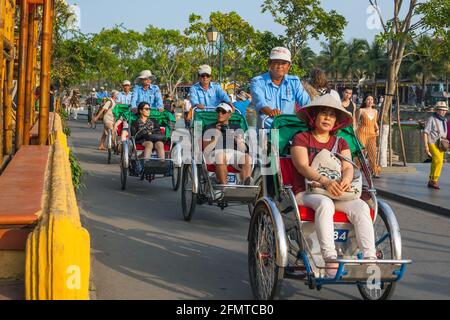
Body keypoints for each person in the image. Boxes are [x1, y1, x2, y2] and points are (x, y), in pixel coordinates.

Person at [291, 94, 377, 277]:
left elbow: (348, 167)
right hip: (307, 191)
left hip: (337, 192)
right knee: (325, 204)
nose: (328, 118)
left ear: (336, 121)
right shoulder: (302, 138)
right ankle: (330, 257)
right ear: (314, 117)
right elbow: (302, 166)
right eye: (323, 113)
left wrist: (346, 179)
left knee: (361, 207)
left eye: (332, 115)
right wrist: (325, 181)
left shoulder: (341, 142)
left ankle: (369, 258)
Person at [250, 47, 310, 128]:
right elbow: (260, 103)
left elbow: (306, 103)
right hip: (266, 131)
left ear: (289, 66)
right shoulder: (257, 82)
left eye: (283, 63)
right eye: (276, 62)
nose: (279, 66)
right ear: (269, 64)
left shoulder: (294, 81)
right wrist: (271, 112)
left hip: (288, 130)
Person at [202, 103, 252, 185]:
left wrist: (237, 140)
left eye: (223, 112)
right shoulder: (209, 127)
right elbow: (206, 148)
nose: (220, 113)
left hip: (234, 153)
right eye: (218, 111)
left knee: (247, 158)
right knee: (221, 156)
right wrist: (216, 135)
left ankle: (246, 185)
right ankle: (224, 186)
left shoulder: (236, 127)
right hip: (216, 153)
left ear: (229, 115)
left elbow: (243, 149)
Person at [423, 101, 448, 189]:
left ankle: (431, 180)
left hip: (441, 144)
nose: (443, 111)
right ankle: (435, 180)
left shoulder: (444, 120)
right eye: (441, 110)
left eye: (444, 110)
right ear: (436, 110)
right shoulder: (432, 119)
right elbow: (425, 132)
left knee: (435, 162)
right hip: (432, 142)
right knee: (439, 161)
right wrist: (426, 146)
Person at [356, 94, 381, 178]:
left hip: (371, 133)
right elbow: (356, 123)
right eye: (368, 99)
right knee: (360, 152)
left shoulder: (375, 111)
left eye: (371, 99)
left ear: (373, 101)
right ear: (364, 101)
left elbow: (374, 122)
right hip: (362, 133)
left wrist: (377, 129)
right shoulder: (361, 110)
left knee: (373, 152)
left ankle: (375, 171)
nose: (370, 101)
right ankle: (357, 170)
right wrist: (353, 133)